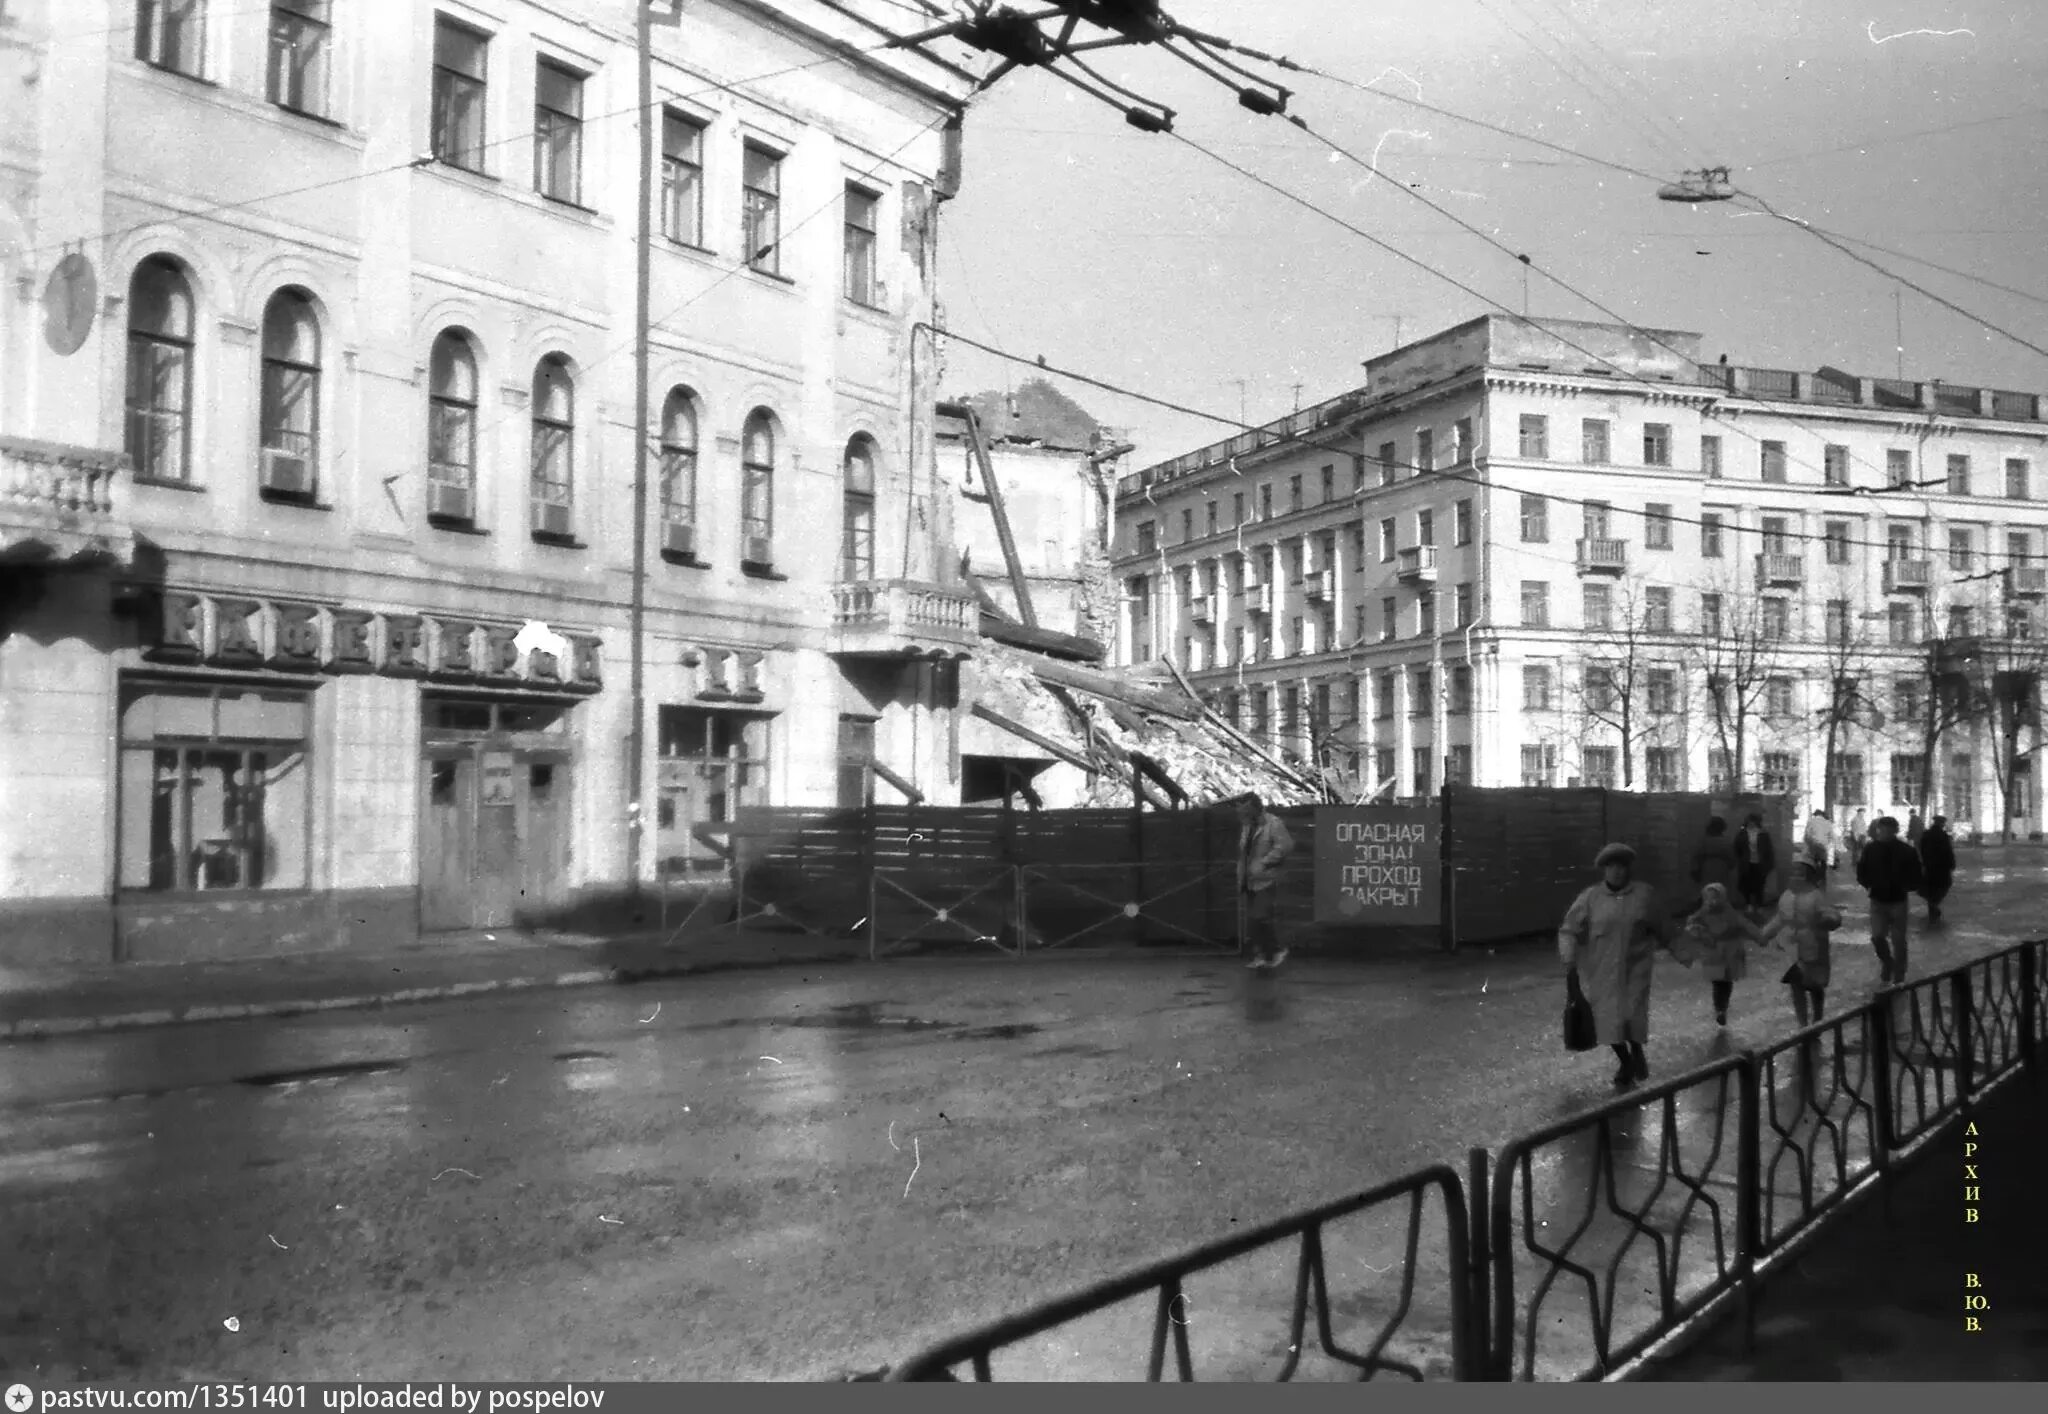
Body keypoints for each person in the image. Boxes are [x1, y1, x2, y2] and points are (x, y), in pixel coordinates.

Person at [1558, 842, 1675, 1090]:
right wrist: (1569, 960)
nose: (1617, 872)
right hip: (1602, 969)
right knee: (1608, 1022)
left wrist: (1686, 950)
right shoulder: (1591, 898)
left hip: (1636, 968)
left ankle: (1636, 1050)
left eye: (1622, 867)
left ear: (1628, 869)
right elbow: (1569, 929)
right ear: (1604, 870)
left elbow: (1664, 927)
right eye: (1612, 867)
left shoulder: (1644, 895)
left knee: (1631, 1015)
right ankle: (1626, 1060)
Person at [1760, 856, 1844, 1026]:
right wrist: (1765, 933)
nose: (1796, 877)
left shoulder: (1816, 896)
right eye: (1793, 873)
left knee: (1814, 984)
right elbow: (1780, 918)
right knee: (1795, 983)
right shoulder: (1786, 896)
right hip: (1791, 946)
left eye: (1801, 873)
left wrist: (1830, 919)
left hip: (1813, 944)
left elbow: (1828, 913)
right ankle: (1802, 1023)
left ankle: (1818, 1018)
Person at [1682, 883, 1763, 1026]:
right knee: (1718, 982)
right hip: (1714, 954)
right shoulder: (1703, 913)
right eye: (1709, 898)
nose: (1712, 901)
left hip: (1729, 953)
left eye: (1715, 898)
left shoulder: (1730, 913)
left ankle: (1722, 1008)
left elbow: (1745, 924)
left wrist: (1760, 935)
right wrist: (1700, 932)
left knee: (1726, 982)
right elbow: (1691, 925)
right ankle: (1719, 1009)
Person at [1857, 815, 1924, 985]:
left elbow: (1916, 874)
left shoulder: (1906, 850)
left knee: (1898, 940)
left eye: (1888, 830)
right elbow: (1862, 870)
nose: (1884, 833)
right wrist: (1868, 885)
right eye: (1882, 829)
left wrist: (1906, 886)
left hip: (1897, 900)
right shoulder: (1871, 849)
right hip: (1878, 899)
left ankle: (1899, 974)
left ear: (1895, 831)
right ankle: (1888, 962)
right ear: (1879, 830)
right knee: (1877, 936)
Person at [1236, 793, 1296, 971]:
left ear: (1255, 807)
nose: (1243, 813)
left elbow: (1285, 846)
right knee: (1254, 919)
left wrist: (1265, 862)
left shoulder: (1273, 823)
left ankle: (1276, 950)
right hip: (1250, 878)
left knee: (1260, 916)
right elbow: (1244, 851)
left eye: (1246, 809)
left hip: (1266, 878)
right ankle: (1262, 954)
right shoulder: (1247, 826)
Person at [1688, 816, 1737, 911]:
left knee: (1707, 890)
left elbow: (1697, 856)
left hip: (1706, 867)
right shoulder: (1726, 841)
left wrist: (1695, 869)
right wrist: (1730, 865)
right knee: (1720, 890)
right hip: (1722, 868)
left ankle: (1706, 909)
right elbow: (1731, 857)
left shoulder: (1703, 841)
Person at [1732, 812, 1776, 915]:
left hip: (1760, 863)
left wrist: (1769, 864)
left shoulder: (1763, 834)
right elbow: (1736, 848)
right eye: (1749, 821)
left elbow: (1768, 850)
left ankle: (1759, 904)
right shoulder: (1742, 833)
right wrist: (1740, 859)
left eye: (1753, 821)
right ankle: (1749, 904)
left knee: (1759, 884)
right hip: (1746, 863)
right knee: (1746, 884)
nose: (1751, 823)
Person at [1919, 814, 1957, 924]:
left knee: (1930, 887)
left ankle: (1932, 907)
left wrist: (1924, 862)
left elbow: (1922, 849)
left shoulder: (1926, 834)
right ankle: (1934, 906)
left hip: (1930, 866)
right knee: (1943, 886)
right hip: (1942, 867)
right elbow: (1948, 851)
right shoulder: (1943, 836)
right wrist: (1952, 864)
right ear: (1942, 824)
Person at [1803, 810, 1837, 887]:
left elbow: (1807, 835)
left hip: (1813, 845)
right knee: (1823, 863)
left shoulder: (1810, 822)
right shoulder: (1827, 823)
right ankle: (1821, 879)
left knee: (1811, 862)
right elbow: (1832, 836)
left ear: (1815, 815)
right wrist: (1829, 845)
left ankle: (1811, 880)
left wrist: (1808, 845)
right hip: (1823, 846)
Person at [1847, 809, 1869, 874]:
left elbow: (1864, 827)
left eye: (1864, 813)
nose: (1863, 814)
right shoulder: (1855, 819)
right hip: (1858, 836)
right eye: (1862, 813)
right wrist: (1855, 837)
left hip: (1862, 836)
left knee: (1862, 849)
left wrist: (1866, 835)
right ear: (1859, 812)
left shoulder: (1861, 818)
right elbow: (1854, 829)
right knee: (1856, 850)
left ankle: (1861, 862)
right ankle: (1855, 863)